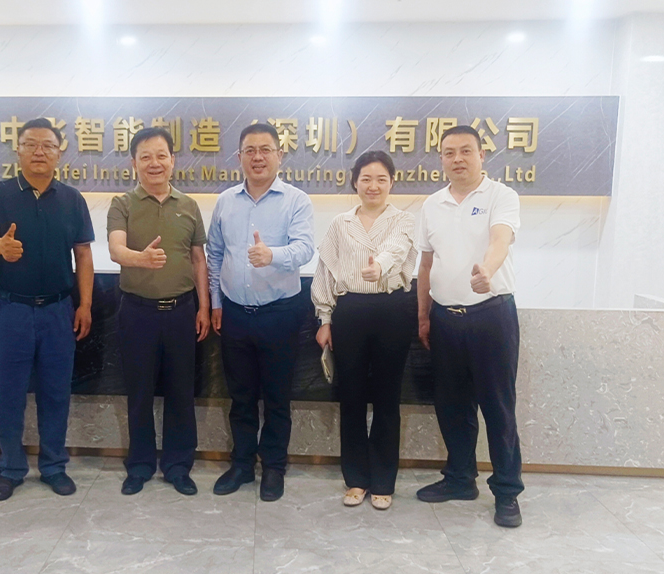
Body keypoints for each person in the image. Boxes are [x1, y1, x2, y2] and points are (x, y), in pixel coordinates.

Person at [0, 117, 95, 501]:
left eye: (47, 145)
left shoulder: (72, 199)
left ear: (60, 153)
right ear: (19, 150)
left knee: (55, 393)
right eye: (30, 144)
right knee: (6, 393)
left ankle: (54, 466)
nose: (39, 152)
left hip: (58, 311)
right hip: (8, 311)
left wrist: (85, 304)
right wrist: (0, 247)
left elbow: (83, 254)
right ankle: (11, 468)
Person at [415, 125, 524, 528]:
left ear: (482, 155)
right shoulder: (432, 204)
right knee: (452, 406)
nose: (457, 159)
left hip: (491, 315)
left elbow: (500, 240)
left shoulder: (501, 196)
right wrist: (424, 315)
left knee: (498, 408)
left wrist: (487, 271)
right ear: (441, 159)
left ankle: (507, 492)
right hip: (445, 319)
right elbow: (426, 264)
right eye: (449, 152)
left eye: (465, 151)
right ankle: (460, 479)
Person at [207, 123, 315, 502]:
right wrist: (216, 303)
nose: (257, 157)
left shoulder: (296, 200)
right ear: (239, 157)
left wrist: (273, 255)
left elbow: (305, 249)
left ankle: (273, 467)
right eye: (250, 150)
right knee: (240, 396)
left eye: (265, 149)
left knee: (277, 398)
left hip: (280, 313)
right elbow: (215, 254)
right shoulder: (225, 202)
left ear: (279, 155)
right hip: (235, 313)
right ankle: (241, 464)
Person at [106, 127, 210, 496]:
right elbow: (116, 249)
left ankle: (178, 466)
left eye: (161, 155)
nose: (154, 163)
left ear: (172, 161)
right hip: (137, 313)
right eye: (146, 156)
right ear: (134, 163)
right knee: (139, 392)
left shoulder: (189, 206)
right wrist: (141, 259)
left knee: (182, 392)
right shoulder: (122, 204)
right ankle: (139, 465)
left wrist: (204, 306)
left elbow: (198, 259)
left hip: (182, 311)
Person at [311, 151, 417, 511]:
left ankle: (384, 481)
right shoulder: (340, 224)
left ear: (392, 183)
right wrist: (325, 319)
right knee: (351, 396)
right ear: (355, 182)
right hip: (350, 311)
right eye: (366, 179)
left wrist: (380, 267)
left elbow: (396, 250)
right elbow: (325, 272)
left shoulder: (403, 219)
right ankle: (356, 479)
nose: (373, 186)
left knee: (387, 398)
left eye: (381, 179)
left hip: (392, 310)